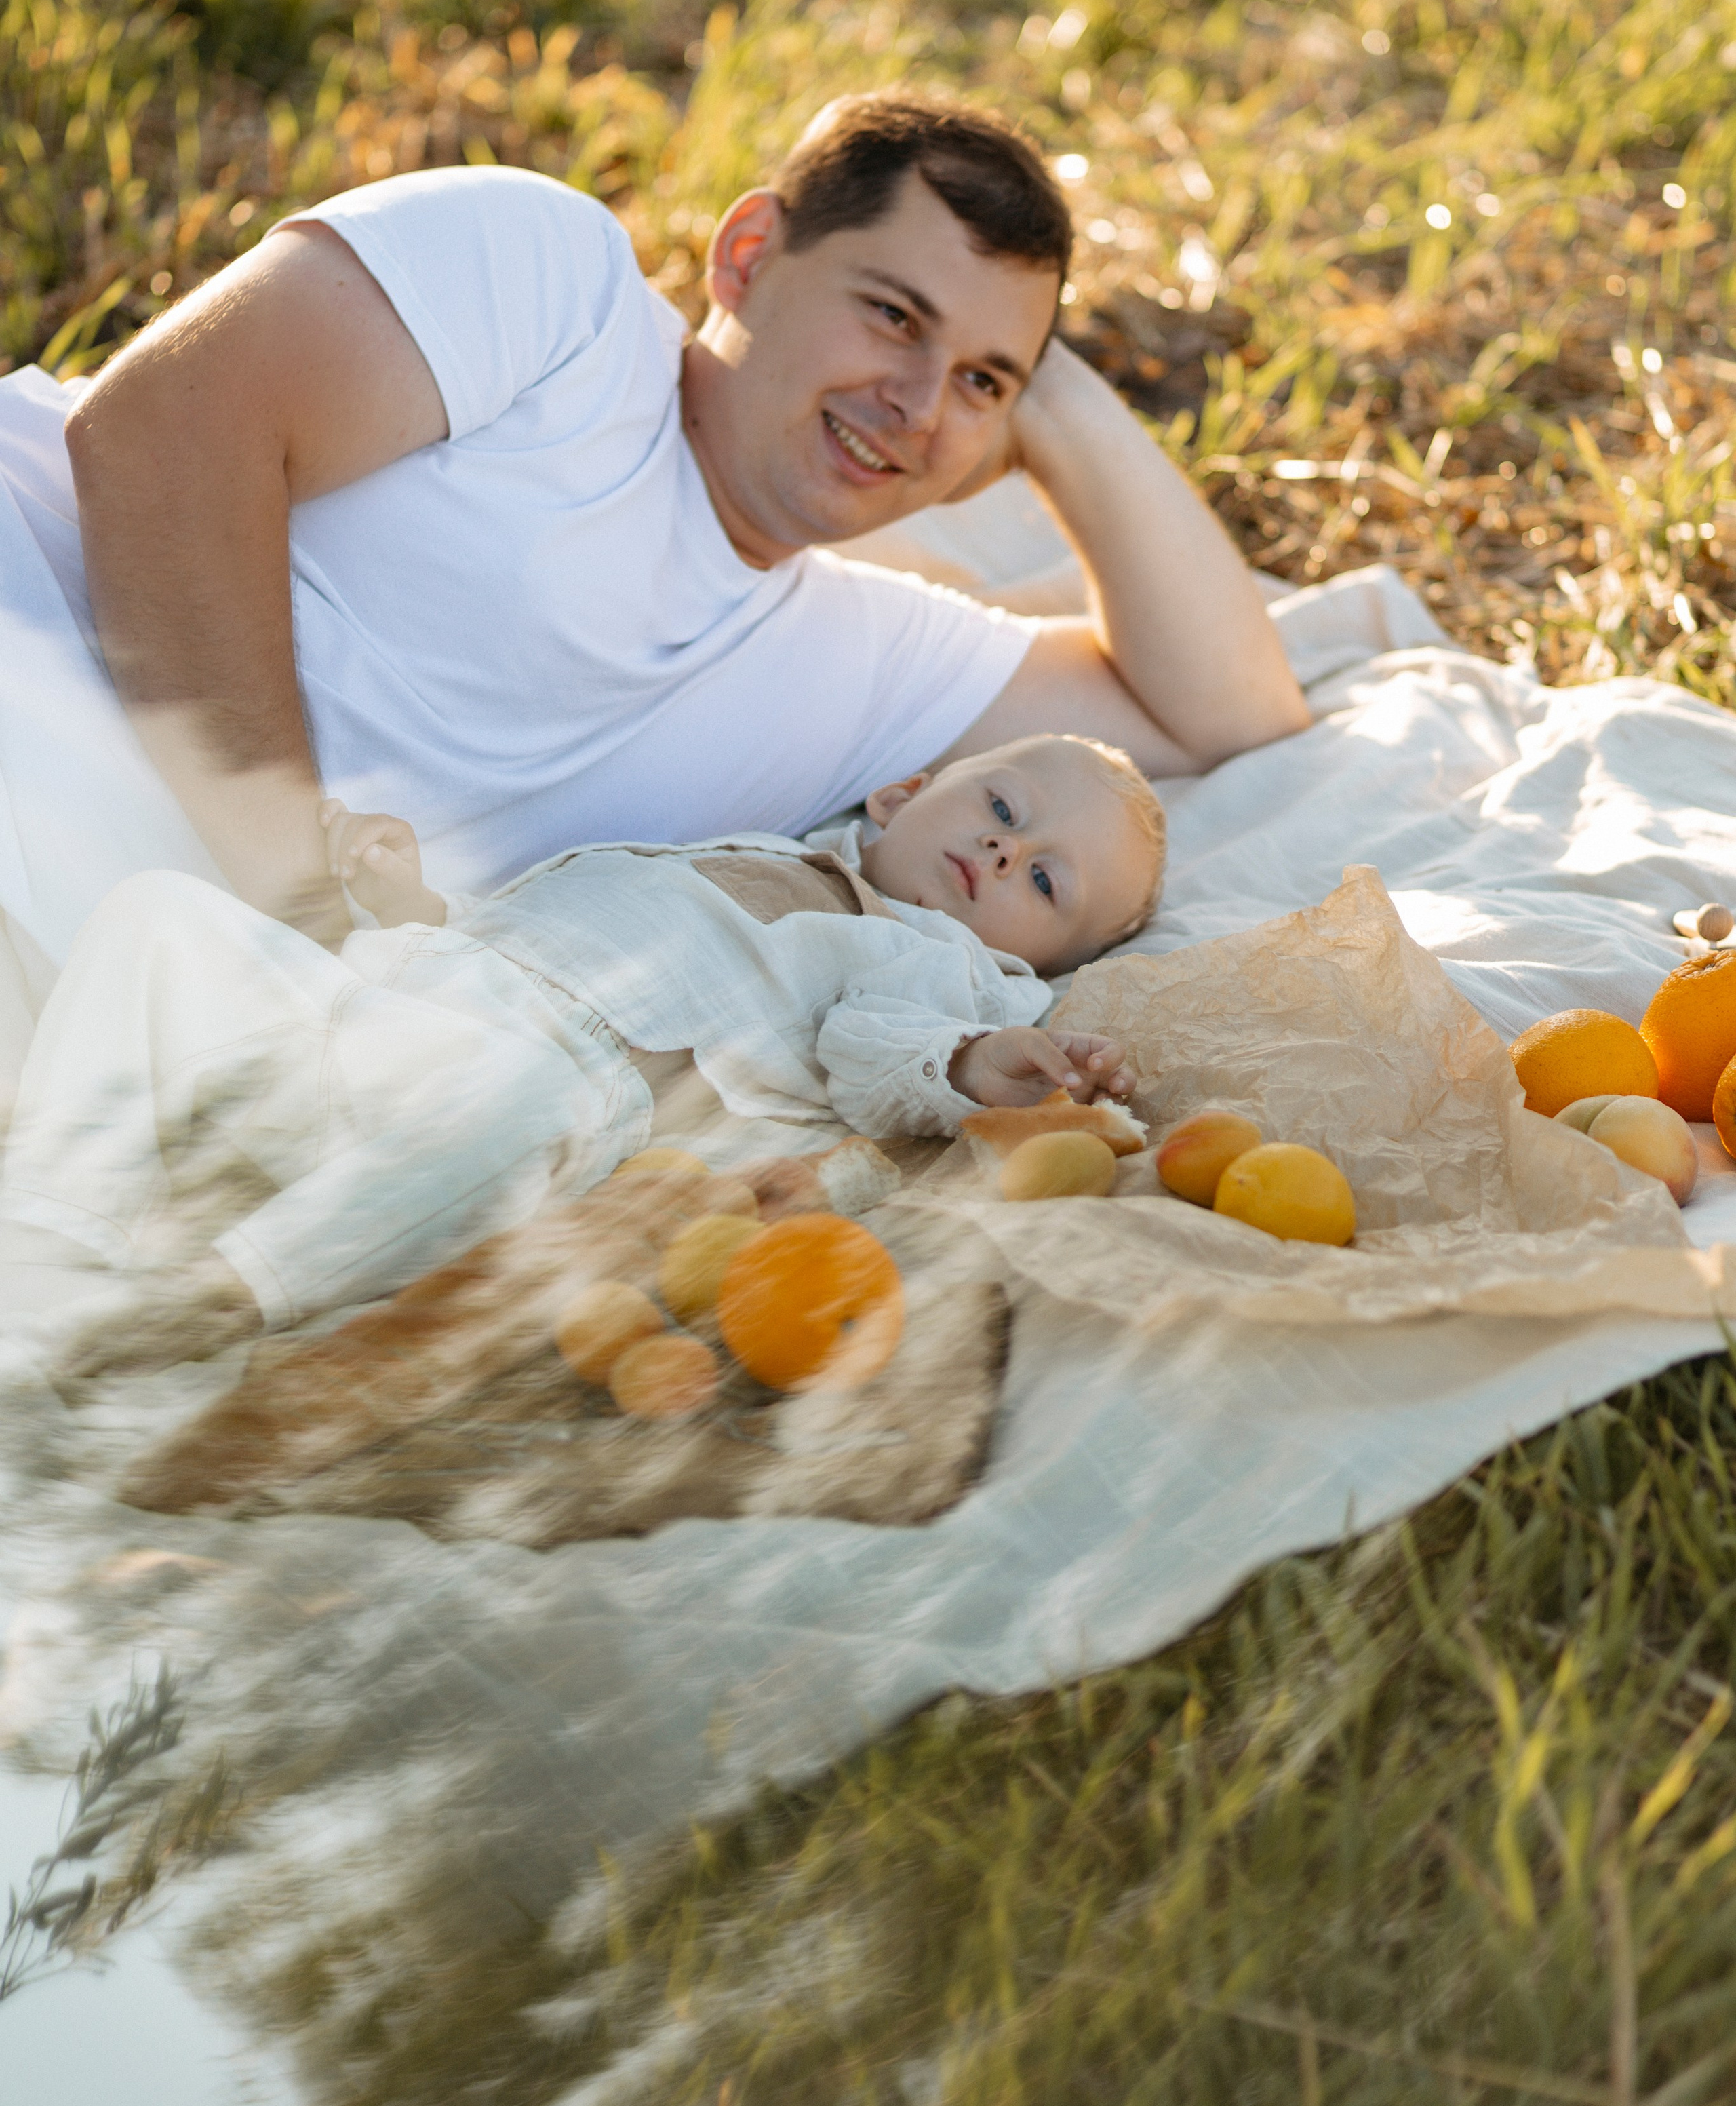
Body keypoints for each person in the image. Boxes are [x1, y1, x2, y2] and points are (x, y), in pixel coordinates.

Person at [0, 91, 1304, 1071]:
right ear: (747, 257)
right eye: (892, 315)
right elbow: (162, 439)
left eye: (980, 384)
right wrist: (294, 909)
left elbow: (1226, 711)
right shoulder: (559, 292)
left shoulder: (859, 663)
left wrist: (1046, 382)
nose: (914, 408)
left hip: (87, 997)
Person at [5, 733, 1161, 1361]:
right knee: (160, 917)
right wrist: (408, 904)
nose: (1007, 855)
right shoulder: (762, 845)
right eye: (1004, 812)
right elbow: (543, 924)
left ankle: (211, 1303)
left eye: (1046, 881)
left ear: (1037, 966)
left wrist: (970, 1064)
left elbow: (877, 1051)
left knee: (506, 1094)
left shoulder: (931, 961)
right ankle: (55, 1232)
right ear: (907, 790)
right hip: (390, 1009)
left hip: (546, 1092)